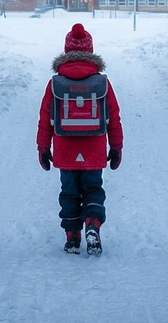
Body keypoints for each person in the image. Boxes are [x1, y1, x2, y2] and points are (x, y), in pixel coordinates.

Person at [37, 23, 123, 255]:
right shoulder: (102, 83)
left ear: (66, 52)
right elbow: (113, 118)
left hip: (65, 149)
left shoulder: (55, 84)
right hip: (94, 149)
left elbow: (45, 119)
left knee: (69, 192)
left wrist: (43, 148)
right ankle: (92, 224)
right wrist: (116, 147)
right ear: (90, 51)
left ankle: (72, 237)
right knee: (94, 188)